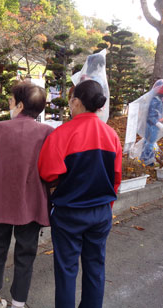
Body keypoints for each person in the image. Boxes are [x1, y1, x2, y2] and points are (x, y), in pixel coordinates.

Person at [38, 80, 122, 308]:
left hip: (69, 213)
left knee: (66, 270)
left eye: (71, 101)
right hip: (101, 211)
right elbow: (116, 177)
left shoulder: (62, 134)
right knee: (95, 267)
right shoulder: (111, 135)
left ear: (76, 102)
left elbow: (48, 174)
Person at [0, 83, 54, 308]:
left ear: (20, 105)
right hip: (32, 205)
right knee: (25, 257)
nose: (10, 105)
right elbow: (52, 172)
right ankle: (18, 303)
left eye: (11, 101)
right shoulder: (48, 133)